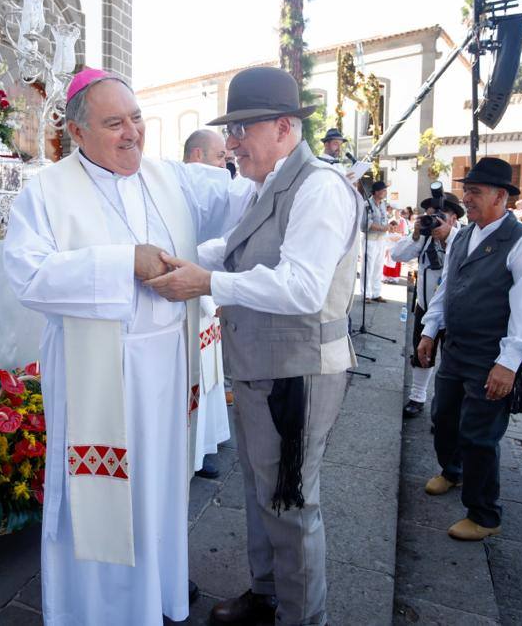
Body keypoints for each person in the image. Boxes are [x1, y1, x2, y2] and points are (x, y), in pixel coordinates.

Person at [2, 68, 250, 625]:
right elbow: (28, 276)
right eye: (114, 123)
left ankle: (154, 594)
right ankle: (99, 610)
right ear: (77, 132)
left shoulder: (172, 178)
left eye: (136, 118)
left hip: (165, 367)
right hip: (100, 375)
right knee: (102, 495)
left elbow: (247, 198)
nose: (131, 133)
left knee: (158, 488)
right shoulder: (46, 190)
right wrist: (122, 264)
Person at [144, 66, 362, 626]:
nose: (233, 143)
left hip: (298, 371)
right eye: (232, 131)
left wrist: (206, 282)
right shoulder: (264, 186)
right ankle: (268, 595)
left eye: (243, 129)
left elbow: (303, 287)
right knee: (263, 491)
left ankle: (300, 616)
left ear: (285, 129)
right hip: (262, 366)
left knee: (290, 502)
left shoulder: (317, 188)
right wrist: (185, 261)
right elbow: (232, 249)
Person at [416, 157, 522, 541]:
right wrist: (429, 330)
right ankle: (451, 471)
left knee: (479, 435)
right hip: (456, 349)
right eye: (466, 190)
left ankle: (485, 514)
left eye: (474, 192)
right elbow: (447, 288)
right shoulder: (462, 235)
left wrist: (509, 363)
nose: (466, 198)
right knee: (444, 417)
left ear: (501, 196)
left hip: (491, 356)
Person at [182, 128, 233, 480]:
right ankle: (194, 452)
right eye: (220, 157)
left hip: (210, 296)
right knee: (196, 378)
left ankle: (211, 439)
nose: (226, 164)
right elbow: (186, 249)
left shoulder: (211, 185)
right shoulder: (189, 185)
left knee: (212, 375)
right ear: (197, 156)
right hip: (193, 300)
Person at [391, 193, 463, 418]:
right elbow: (396, 255)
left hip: (453, 311)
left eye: (440, 216)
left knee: (452, 364)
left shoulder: (462, 238)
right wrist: (415, 235)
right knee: (421, 354)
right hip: (425, 306)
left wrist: (447, 236)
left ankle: (445, 410)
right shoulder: (424, 238)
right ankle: (417, 396)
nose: (435, 221)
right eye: (431, 216)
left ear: (452, 218)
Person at [364, 180, 390, 302]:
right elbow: (366, 223)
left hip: (381, 239)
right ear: (376, 192)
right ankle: (366, 294)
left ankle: (376, 293)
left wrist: (389, 226)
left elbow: (384, 220)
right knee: (368, 267)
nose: (385, 192)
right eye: (383, 190)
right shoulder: (367, 204)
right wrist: (382, 227)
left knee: (378, 267)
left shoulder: (383, 204)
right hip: (371, 239)